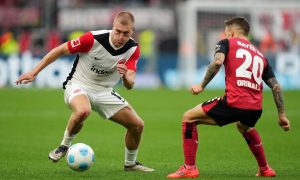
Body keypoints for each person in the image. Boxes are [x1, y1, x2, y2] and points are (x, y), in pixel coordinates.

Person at [15, 11, 154, 172]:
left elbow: (130, 84)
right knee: (83, 111)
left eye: (126, 33)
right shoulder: (93, 39)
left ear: (132, 31)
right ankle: (64, 146)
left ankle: (130, 164)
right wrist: (34, 72)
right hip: (78, 84)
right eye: (118, 31)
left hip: (104, 91)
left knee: (137, 125)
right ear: (112, 28)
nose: (121, 37)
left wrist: (124, 77)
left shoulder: (133, 49)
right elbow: (59, 50)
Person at [166, 17, 290, 178]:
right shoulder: (260, 55)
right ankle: (265, 168)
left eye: (226, 33)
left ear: (231, 33)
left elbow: (217, 62)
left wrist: (201, 85)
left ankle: (189, 168)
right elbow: (276, 86)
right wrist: (282, 115)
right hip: (255, 108)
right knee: (244, 126)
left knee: (188, 118)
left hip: (233, 102)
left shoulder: (227, 43)